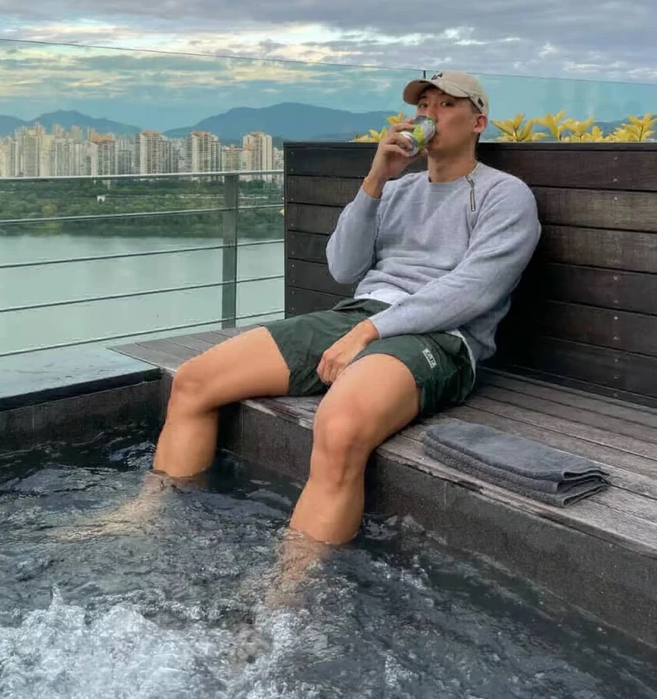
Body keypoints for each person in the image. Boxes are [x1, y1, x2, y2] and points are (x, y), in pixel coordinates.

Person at [149, 69, 541, 551]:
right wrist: (376, 180)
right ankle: (154, 527)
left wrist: (370, 332)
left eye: (445, 105)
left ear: (478, 122)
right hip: (360, 314)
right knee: (194, 381)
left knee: (338, 428)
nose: (429, 115)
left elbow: (473, 291)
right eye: (423, 106)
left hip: (442, 337)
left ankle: (290, 584)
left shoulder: (505, 194)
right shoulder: (397, 190)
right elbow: (343, 266)